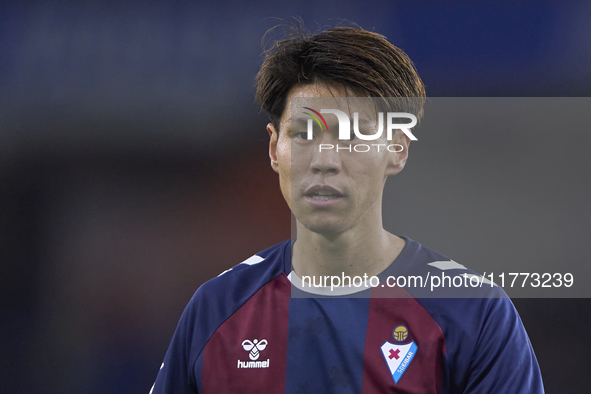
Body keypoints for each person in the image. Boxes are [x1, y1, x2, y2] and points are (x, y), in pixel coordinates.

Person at [150, 25, 544, 393]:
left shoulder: (474, 312)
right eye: (303, 134)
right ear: (274, 148)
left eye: (351, 135)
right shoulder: (216, 308)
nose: (324, 159)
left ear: (398, 149)